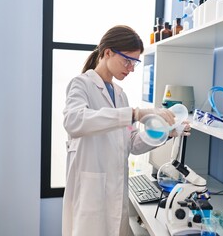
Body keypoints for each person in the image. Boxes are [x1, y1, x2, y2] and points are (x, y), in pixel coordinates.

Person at [62, 25, 190, 236]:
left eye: (135, 63)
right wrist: (134, 113)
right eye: (127, 60)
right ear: (108, 53)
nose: (131, 68)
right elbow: (74, 121)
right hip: (90, 194)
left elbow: (132, 143)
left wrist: (166, 131)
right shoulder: (81, 84)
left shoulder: (120, 96)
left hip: (115, 194)